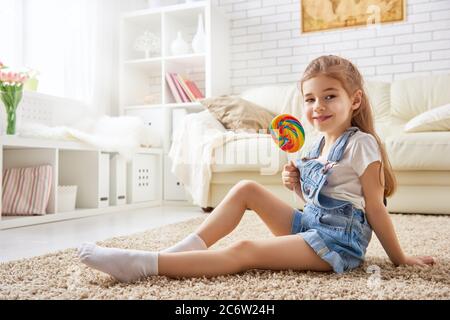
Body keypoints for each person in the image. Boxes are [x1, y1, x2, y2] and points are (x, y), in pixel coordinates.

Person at [78, 55, 435, 283]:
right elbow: (323, 198)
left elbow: (374, 207)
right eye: (310, 99)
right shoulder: (315, 143)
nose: (317, 107)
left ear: (354, 100)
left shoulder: (362, 144)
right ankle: (178, 251)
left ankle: (147, 264)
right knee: (246, 188)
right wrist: (296, 185)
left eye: (330, 96)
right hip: (311, 225)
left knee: (246, 249)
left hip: (338, 244)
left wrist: (400, 259)